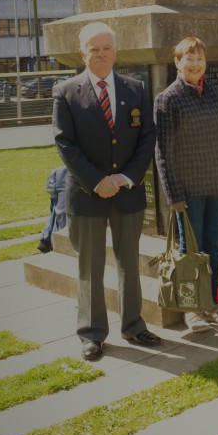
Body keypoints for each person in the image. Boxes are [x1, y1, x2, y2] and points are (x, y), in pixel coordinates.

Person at [53, 22, 161, 360]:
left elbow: (147, 137)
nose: (101, 54)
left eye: (107, 48)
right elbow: (64, 143)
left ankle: (133, 325)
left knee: (129, 261)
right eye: (94, 48)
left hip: (128, 192)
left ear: (116, 52)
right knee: (90, 266)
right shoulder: (66, 91)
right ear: (82, 52)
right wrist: (97, 180)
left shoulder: (135, 88)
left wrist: (126, 178)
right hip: (86, 195)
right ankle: (92, 332)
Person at [154, 36, 218, 333]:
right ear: (177, 62)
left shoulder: (216, 93)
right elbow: (164, 152)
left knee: (211, 248)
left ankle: (210, 305)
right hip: (188, 189)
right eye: (188, 58)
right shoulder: (168, 99)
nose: (194, 64)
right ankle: (191, 310)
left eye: (199, 58)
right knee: (189, 253)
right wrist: (173, 195)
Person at [38, 164, 67, 253]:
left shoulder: (58, 171)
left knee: (56, 208)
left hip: (57, 232)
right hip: (65, 235)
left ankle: (45, 239)